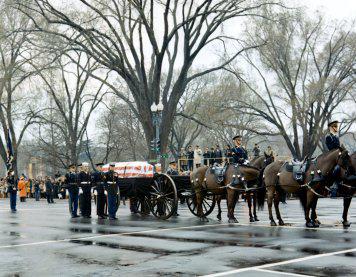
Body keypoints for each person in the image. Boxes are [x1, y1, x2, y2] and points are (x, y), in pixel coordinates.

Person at [325, 120, 341, 197]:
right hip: (332, 155)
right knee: (336, 168)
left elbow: (339, 146)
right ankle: (333, 185)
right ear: (331, 128)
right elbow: (330, 148)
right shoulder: (328, 137)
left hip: (338, 154)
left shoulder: (336, 137)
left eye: (336, 126)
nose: (336, 128)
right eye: (334, 126)